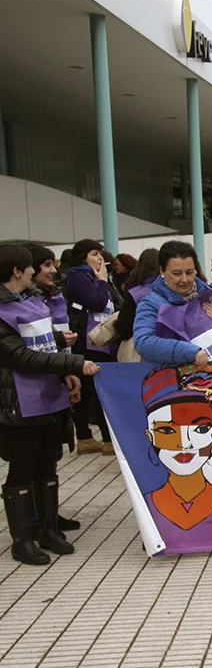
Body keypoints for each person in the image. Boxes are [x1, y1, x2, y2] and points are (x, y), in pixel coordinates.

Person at [0, 244, 99, 565]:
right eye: (32, 267)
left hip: (47, 397)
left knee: (47, 465)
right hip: (18, 403)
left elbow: (37, 343)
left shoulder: (28, 302)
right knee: (22, 468)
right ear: (17, 271)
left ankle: (48, 529)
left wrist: (62, 361)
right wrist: (73, 365)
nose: (36, 272)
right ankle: (22, 540)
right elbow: (20, 356)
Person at [140, 367, 212, 553]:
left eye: (200, 429)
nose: (184, 444)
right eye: (168, 431)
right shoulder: (145, 507)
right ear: (150, 436)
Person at [22, 243, 84, 532]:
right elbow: (26, 350)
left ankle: (49, 515)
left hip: (56, 380)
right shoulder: (18, 306)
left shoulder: (50, 297)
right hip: (28, 392)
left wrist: (67, 372)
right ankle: (33, 523)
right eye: (45, 265)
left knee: (51, 454)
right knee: (30, 459)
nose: (51, 271)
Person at [133, 241, 212, 366]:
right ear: (162, 271)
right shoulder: (150, 304)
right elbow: (143, 342)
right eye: (177, 274)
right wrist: (190, 352)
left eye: (189, 272)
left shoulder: (206, 296)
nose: (184, 279)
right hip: (170, 380)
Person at [62, 239, 116, 455]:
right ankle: (95, 437)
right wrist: (102, 281)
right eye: (95, 253)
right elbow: (97, 302)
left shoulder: (92, 276)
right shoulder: (79, 277)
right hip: (88, 340)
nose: (100, 258)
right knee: (92, 388)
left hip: (100, 339)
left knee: (93, 387)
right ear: (83, 256)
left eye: (101, 253)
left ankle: (94, 437)